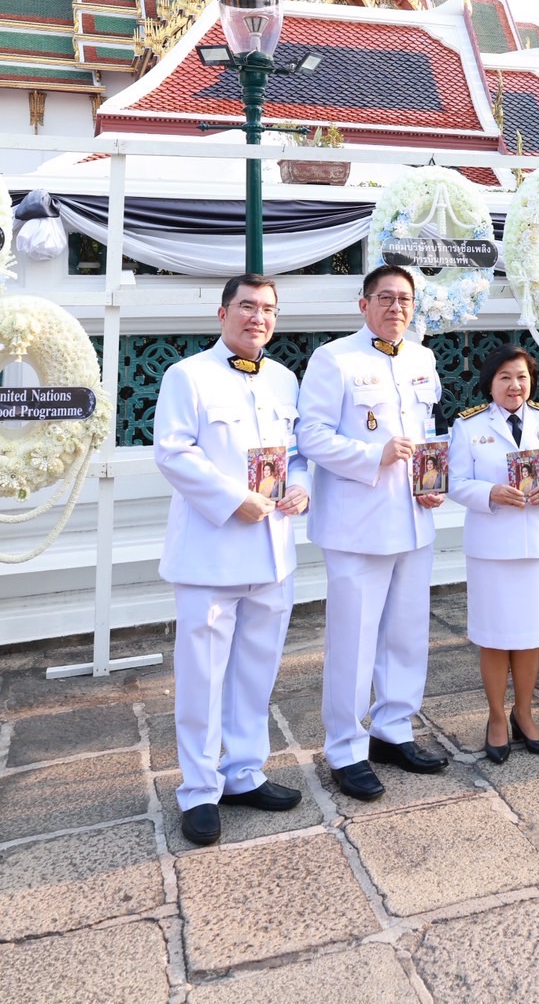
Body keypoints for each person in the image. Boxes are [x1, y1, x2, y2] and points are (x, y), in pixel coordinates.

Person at [154, 272, 310, 847]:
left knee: (256, 672)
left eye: (268, 309)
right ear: (223, 314)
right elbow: (173, 453)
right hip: (211, 554)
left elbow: (298, 454)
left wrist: (303, 487)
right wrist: (232, 499)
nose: (258, 317)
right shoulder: (187, 375)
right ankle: (199, 790)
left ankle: (244, 772)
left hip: (272, 553)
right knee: (202, 678)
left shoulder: (285, 379)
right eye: (247, 306)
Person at [297, 265, 448, 802]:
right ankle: (345, 748)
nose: (395, 307)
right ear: (363, 304)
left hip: (413, 517)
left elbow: (427, 431)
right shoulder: (334, 358)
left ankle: (393, 729)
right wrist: (371, 456)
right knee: (354, 641)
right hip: (357, 523)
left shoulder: (422, 358)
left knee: (407, 633)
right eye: (384, 297)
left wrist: (433, 483)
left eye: (404, 299)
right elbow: (310, 436)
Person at [448, 345, 539, 763]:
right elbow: (454, 482)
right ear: (490, 383)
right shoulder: (468, 425)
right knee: (493, 637)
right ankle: (496, 719)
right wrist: (489, 492)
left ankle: (523, 714)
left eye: (522, 377)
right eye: (505, 377)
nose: (514, 385)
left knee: (530, 636)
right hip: (491, 550)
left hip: (537, 547)